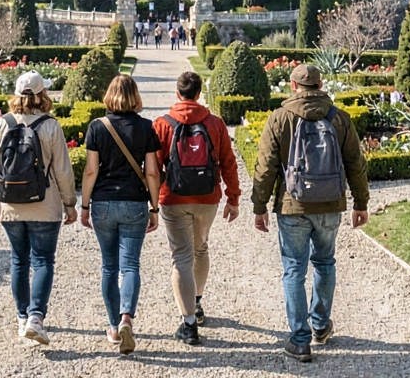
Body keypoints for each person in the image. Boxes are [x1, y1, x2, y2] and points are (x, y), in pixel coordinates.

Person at [251, 64, 370, 363]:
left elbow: (264, 167)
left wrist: (259, 207)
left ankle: (300, 339)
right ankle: (320, 324)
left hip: (293, 205)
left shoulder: (279, 118)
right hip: (330, 204)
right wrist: (361, 203)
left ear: (293, 86)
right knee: (325, 263)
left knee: (294, 269)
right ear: (320, 85)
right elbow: (356, 163)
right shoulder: (339, 118)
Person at [0, 71, 77, 346]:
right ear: (43, 94)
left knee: (19, 260)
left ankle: (22, 316)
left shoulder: (2, 124)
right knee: (43, 260)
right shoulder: (50, 126)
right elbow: (63, 171)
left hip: (9, 204)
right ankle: (36, 316)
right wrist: (70, 204)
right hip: (44, 204)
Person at [152, 71, 240, 346]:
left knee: (181, 257)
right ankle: (198, 303)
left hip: (174, 198)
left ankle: (188, 323)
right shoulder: (214, 123)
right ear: (199, 94)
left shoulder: (163, 124)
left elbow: (153, 168)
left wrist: (152, 203)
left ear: (178, 94)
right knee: (200, 248)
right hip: (207, 197)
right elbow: (228, 162)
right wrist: (233, 197)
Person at [81, 75, 161, 355]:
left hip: (103, 201)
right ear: (135, 96)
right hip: (134, 202)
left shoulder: (97, 126)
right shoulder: (145, 127)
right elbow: (152, 172)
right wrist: (154, 207)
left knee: (108, 267)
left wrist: (85, 205)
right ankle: (127, 317)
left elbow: (91, 170)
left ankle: (113, 328)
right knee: (130, 266)